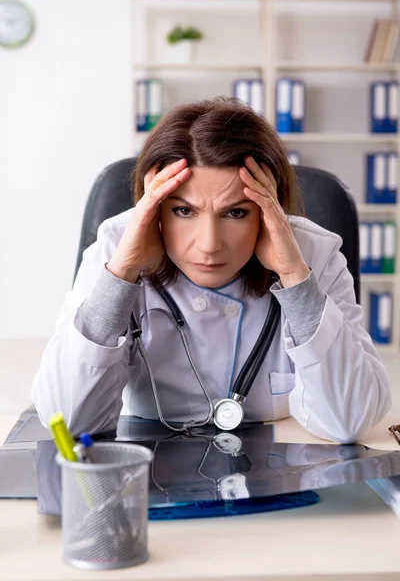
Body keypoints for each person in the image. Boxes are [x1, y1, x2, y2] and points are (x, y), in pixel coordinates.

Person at [32, 96, 391, 443]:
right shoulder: (117, 249)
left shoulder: (313, 254)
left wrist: (295, 277)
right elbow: (68, 421)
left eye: (235, 212)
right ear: (153, 207)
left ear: (270, 209)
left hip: (281, 467)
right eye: (183, 211)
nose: (208, 244)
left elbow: (349, 422)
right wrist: (122, 273)